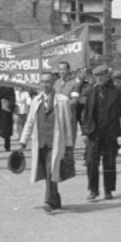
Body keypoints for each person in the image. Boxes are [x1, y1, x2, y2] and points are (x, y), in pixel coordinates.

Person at [18, 72, 77, 213]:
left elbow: (67, 124)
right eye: (43, 82)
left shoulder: (62, 101)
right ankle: (55, 200)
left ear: (53, 83)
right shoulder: (36, 101)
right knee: (47, 172)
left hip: (56, 142)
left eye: (48, 82)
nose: (45, 84)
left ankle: (49, 201)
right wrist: (22, 143)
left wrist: (69, 145)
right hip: (41, 142)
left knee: (52, 170)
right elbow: (30, 122)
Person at [78, 65, 121, 201]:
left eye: (102, 76)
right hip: (93, 133)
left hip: (110, 131)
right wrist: (84, 131)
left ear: (108, 76)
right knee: (91, 162)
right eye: (97, 76)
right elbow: (86, 113)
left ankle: (108, 190)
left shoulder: (116, 91)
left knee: (109, 162)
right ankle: (93, 190)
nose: (99, 78)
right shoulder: (90, 91)